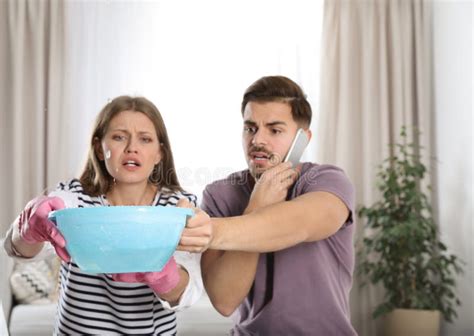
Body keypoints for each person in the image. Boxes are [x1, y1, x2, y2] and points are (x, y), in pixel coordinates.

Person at [3, 96, 211, 335]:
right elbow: (17, 251)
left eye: (145, 139)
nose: (132, 147)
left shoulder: (178, 206)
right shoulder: (73, 198)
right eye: (119, 137)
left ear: (159, 154)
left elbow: (186, 293)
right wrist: (27, 229)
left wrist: (164, 277)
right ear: (99, 149)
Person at [179, 76, 357, 335]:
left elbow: (301, 224)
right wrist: (257, 204)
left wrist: (209, 231)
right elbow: (225, 301)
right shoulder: (219, 194)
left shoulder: (328, 181)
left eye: (274, 130)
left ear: (302, 140)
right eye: (250, 128)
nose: (258, 140)